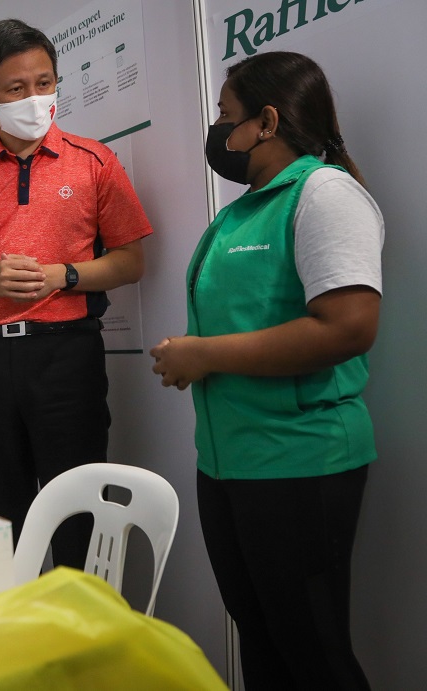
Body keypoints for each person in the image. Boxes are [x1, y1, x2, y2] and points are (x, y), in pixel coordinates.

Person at [150, 51, 381, 690]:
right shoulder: (243, 210)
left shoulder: (325, 193)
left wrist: (202, 355)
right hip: (229, 464)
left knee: (314, 655)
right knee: (264, 640)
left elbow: (349, 326)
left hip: (301, 461)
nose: (219, 131)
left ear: (268, 121)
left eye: (227, 116)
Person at [0, 19, 153, 568]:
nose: (35, 98)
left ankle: (80, 634)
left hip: (67, 353)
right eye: (16, 89)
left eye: (45, 83)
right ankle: (21, 633)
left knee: (77, 507)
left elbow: (131, 261)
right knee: (4, 512)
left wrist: (63, 275)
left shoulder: (95, 161)